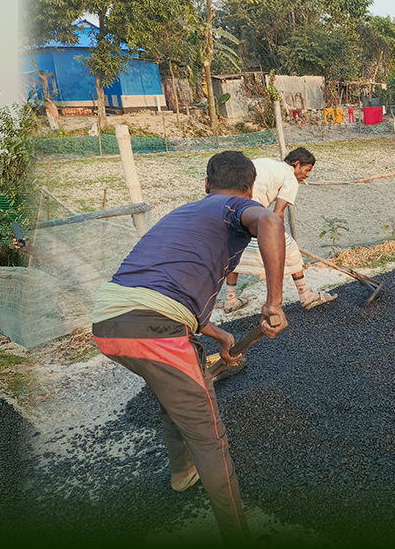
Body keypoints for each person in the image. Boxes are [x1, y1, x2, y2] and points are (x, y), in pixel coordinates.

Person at [88, 151, 289, 543]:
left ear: (206, 184)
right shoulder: (239, 206)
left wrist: (219, 336)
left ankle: (181, 474)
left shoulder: (184, 213)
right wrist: (274, 302)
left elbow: (166, 290)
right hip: (155, 328)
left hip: (109, 323)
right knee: (209, 438)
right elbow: (270, 220)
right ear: (250, 189)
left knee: (174, 392)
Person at [223, 147, 334, 311]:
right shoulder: (290, 178)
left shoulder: (266, 162)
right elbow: (278, 213)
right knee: (292, 251)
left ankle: (230, 299)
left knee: (236, 253)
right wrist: (279, 238)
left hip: (231, 210)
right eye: (307, 170)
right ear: (297, 164)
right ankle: (305, 296)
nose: (308, 175)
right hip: (251, 213)